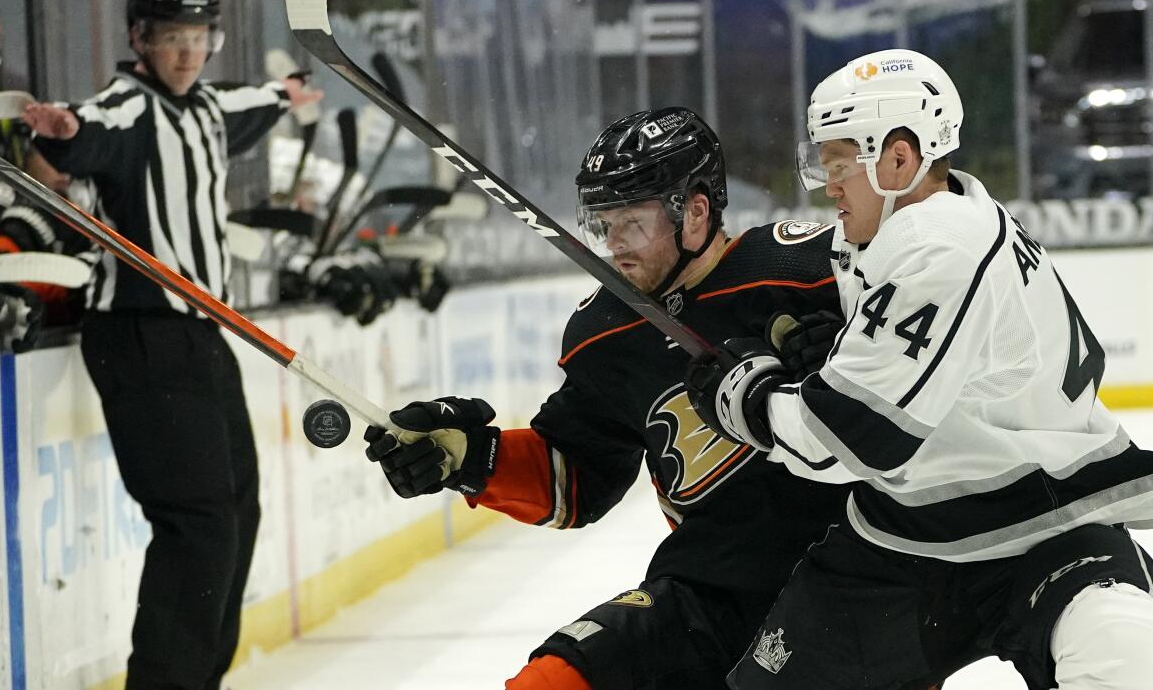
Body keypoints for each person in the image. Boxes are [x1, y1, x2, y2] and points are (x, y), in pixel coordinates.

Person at [685, 49, 1153, 689]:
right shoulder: (943, 216)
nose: (827, 183)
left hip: (1046, 527)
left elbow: (854, 438)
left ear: (898, 159)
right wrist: (840, 349)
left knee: (1121, 648)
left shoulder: (937, 243)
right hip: (908, 533)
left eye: (840, 164)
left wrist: (751, 400)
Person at [364, 107, 858, 689]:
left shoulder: (814, 270)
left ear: (695, 213)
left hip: (853, 584)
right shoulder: (607, 331)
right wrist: (472, 458)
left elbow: (943, 377)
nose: (614, 244)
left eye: (633, 222)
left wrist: (858, 353)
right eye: (604, 222)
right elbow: (577, 477)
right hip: (707, 592)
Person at [21, 0, 321, 690]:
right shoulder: (127, 108)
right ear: (138, 39)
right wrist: (65, 133)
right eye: (170, 39)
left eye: (199, 37)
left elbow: (253, 100)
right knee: (197, 522)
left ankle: (197, 680)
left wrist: (287, 96)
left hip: (202, 336)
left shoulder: (211, 108)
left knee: (237, 512)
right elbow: (86, 129)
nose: (187, 53)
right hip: (140, 334)